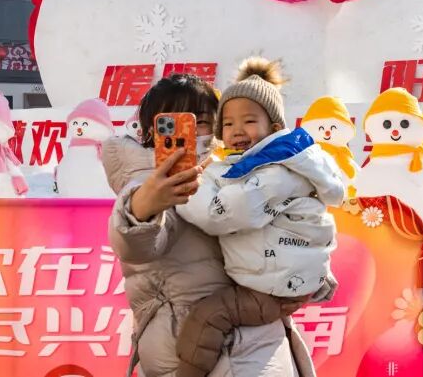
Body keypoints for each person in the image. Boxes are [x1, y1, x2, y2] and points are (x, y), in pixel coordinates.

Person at [103, 72, 316, 377]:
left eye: (200, 121)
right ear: (152, 130)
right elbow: (136, 249)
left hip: (258, 333)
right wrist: (143, 206)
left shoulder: (240, 166)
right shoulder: (146, 182)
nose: (191, 131)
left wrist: (306, 263)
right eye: (173, 120)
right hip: (184, 339)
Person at [175, 58, 344, 376]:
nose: (237, 130)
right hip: (287, 278)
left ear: (275, 128)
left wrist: (183, 189)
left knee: (208, 317)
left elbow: (218, 214)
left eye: (249, 121)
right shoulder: (284, 161)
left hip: (269, 288)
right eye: (228, 124)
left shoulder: (276, 172)